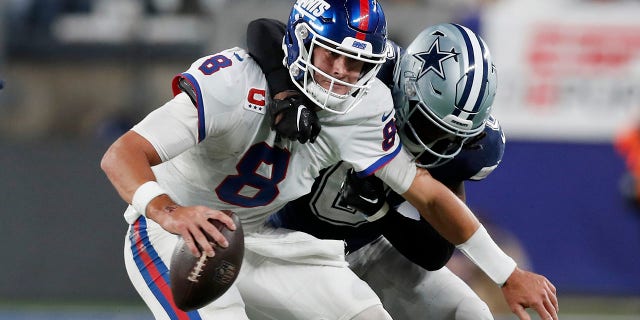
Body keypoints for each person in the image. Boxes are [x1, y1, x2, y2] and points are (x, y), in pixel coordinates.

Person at [101, 2, 556, 320]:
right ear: (301, 42)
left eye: (356, 63)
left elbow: (430, 198)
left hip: (268, 239)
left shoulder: (363, 105)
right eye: (333, 55)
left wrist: (506, 273)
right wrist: (170, 211)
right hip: (175, 234)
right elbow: (121, 154)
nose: (342, 73)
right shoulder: (235, 82)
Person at [246, 18, 558, 320]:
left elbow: (436, 250)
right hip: (290, 241)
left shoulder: (462, 149)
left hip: (365, 246)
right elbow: (268, 31)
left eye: (452, 137)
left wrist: (381, 213)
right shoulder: (361, 72)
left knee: (470, 314)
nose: (434, 145)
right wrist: (285, 94)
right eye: (427, 124)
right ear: (404, 89)